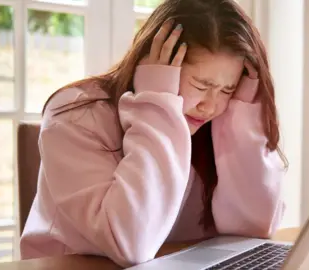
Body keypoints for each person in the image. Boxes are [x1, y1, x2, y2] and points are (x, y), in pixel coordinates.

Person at [20, 0, 288, 267]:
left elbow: (252, 228)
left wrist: (241, 122)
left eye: (227, 90)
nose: (210, 107)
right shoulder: (75, 114)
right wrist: (158, 102)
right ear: (153, 62)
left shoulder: (219, 120)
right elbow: (129, 243)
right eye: (201, 84)